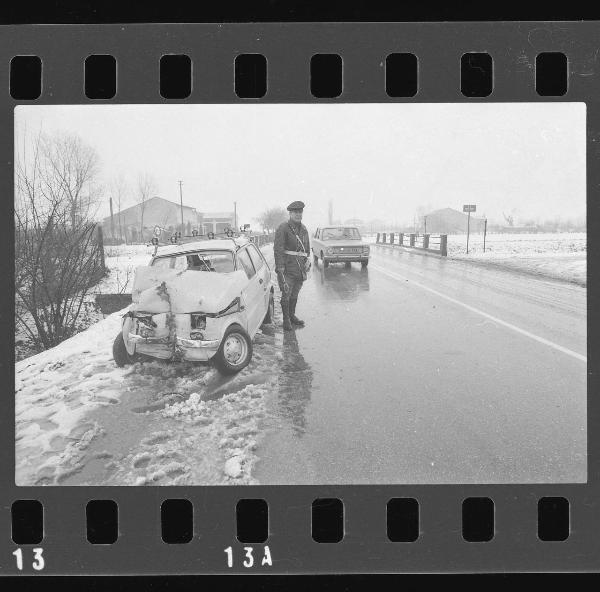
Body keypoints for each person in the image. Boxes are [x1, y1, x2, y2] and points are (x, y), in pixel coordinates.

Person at [274, 201, 311, 331]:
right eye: (295, 212)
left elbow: (306, 247)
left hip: (300, 268)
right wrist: (280, 269)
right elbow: (278, 249)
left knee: (295, 293)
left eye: (300, 212)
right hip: (287, 268)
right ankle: (286, 320)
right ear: (290, 213)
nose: (298, 215)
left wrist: (307, 260)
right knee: (286, 294)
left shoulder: (304, 228)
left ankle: (292, 315)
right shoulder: (283, 228)